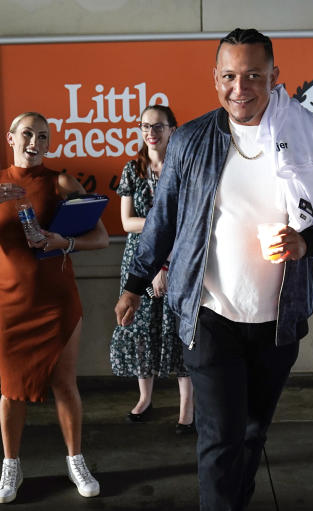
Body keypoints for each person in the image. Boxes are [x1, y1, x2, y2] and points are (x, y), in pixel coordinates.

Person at [114, 29, 313, 511]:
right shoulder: (194, 140)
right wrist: (134, 280)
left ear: (276, 75)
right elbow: (165, 219)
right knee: (220, 440)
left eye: (253, 75)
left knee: (251, 434)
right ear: (214, 79)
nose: (240, 87)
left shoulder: (312, 137)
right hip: (211, 313)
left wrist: (308, 240)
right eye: (229, 76)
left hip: (280, 318)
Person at [0, 111, 109, 503]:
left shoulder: (61, 181)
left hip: (57, 299)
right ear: (11, 137)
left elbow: (102, 237)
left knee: (64, 383)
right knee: (12, 390)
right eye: (27, 134)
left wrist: (63, 242)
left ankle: (75, 459)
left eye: (43, 136)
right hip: (10, 299)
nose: (34, 143)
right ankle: (11, 466)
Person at [109, 105, 195, 434]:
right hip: (141, 268)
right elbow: (126, 222)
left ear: (173, 129)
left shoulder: (184, 168)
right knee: (143, 325)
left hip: (178, 263)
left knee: (178, 329)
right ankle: (145, 398)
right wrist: (162, 228)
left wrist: (166, 258)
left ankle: (187, 407)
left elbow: (189, 222)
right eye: (145, 126)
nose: (151, 133)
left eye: (158, 126)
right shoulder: (133, 169)